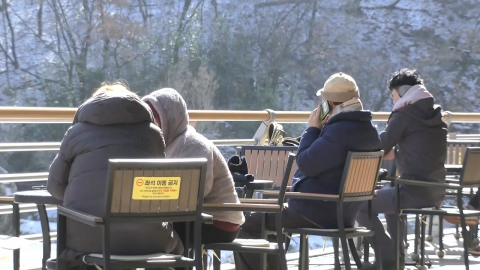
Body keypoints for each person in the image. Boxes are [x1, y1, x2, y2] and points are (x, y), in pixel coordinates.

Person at [234, 72, 382, 270]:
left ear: (331, 103)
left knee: (246, 223)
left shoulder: (339, 132)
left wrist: (312, 128)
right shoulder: (368, 130)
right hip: (344, 213)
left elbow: (305, 162)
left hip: (317, 211)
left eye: (324, 102)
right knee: (265, 220)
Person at [47, 82, 183, 269]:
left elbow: (54, 186)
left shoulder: (76, 134)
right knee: (175, 244)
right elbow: (158, 189)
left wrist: (81, 196)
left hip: (90, 236)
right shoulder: (153, 135)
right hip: (148, 240)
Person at [356, 68, 448, 270]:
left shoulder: (404, 114)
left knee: (360, 205)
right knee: (390, 202)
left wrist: (355, 143)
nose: (392, 101)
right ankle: (395, 258)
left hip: (413, 190)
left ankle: (389, 259)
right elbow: (422, 149)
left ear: (402, 93)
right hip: (436, 190)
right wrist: (398, 154)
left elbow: (379, 146)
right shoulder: (436, 114)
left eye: (392, 95)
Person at [142, 88, 245, 246]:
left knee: (154, 234)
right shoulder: (168, 145)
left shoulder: (194, 144)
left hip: (219, 221)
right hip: (192, 216)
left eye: (155, 119)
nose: (152, 126)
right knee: (149, 231)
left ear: (171, 118)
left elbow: (198, 189)